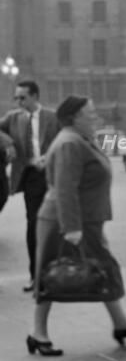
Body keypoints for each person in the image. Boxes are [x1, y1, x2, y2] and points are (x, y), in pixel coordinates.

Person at [27, 95, 126, 357]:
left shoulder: (77, 139)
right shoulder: (70, 142)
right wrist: (72, 228)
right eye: (90, 114)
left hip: (81, 220)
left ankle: (121, 323)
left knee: (103, 268)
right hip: (67, 221)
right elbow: (65, 188)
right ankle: (38, 333)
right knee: (51, 274)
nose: (95, 118)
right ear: (74, 118)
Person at [0, 80, 60, 291]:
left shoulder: (52, 117)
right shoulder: (13, 118)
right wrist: (7, 141)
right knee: (33, 225)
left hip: (53, 175)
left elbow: (64, 140)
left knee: (55, 225)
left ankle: (55, 274)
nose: (18, 101)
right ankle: (36, 276)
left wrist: (48, 157)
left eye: (22, 97)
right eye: (16, 97)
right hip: (31, 177)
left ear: (35, 96)